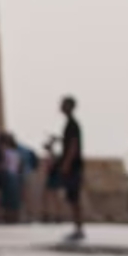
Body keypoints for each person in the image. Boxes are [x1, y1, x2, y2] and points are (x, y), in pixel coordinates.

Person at [56, 96, 85, 241]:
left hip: (73, 167)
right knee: (72, 198)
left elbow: (73, 146)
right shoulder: (69, 124)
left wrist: (66, 164)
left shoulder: (73, 124)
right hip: (72, 166)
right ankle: (77, 227)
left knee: (74, 198)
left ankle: (79, 228)